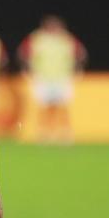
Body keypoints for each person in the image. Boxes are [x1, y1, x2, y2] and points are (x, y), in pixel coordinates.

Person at [18, 15, 87, 143]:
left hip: (62, 77)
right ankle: (43, 133)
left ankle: (65, 133)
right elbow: (23, 53)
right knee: (44, 107)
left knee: (63, 107)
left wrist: (78, 69)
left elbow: (81, 54)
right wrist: (26, 69)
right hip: (43, 78)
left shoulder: (66, 38)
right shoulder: (37, 38)